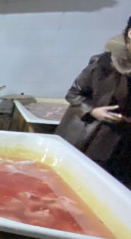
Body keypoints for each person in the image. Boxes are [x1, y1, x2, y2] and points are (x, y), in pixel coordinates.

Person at [56, 16, 131, 188]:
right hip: (92, 139)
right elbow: (74, 93)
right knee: (75, 186)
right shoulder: (103, 62)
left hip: (124, 147)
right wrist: (94, 110)